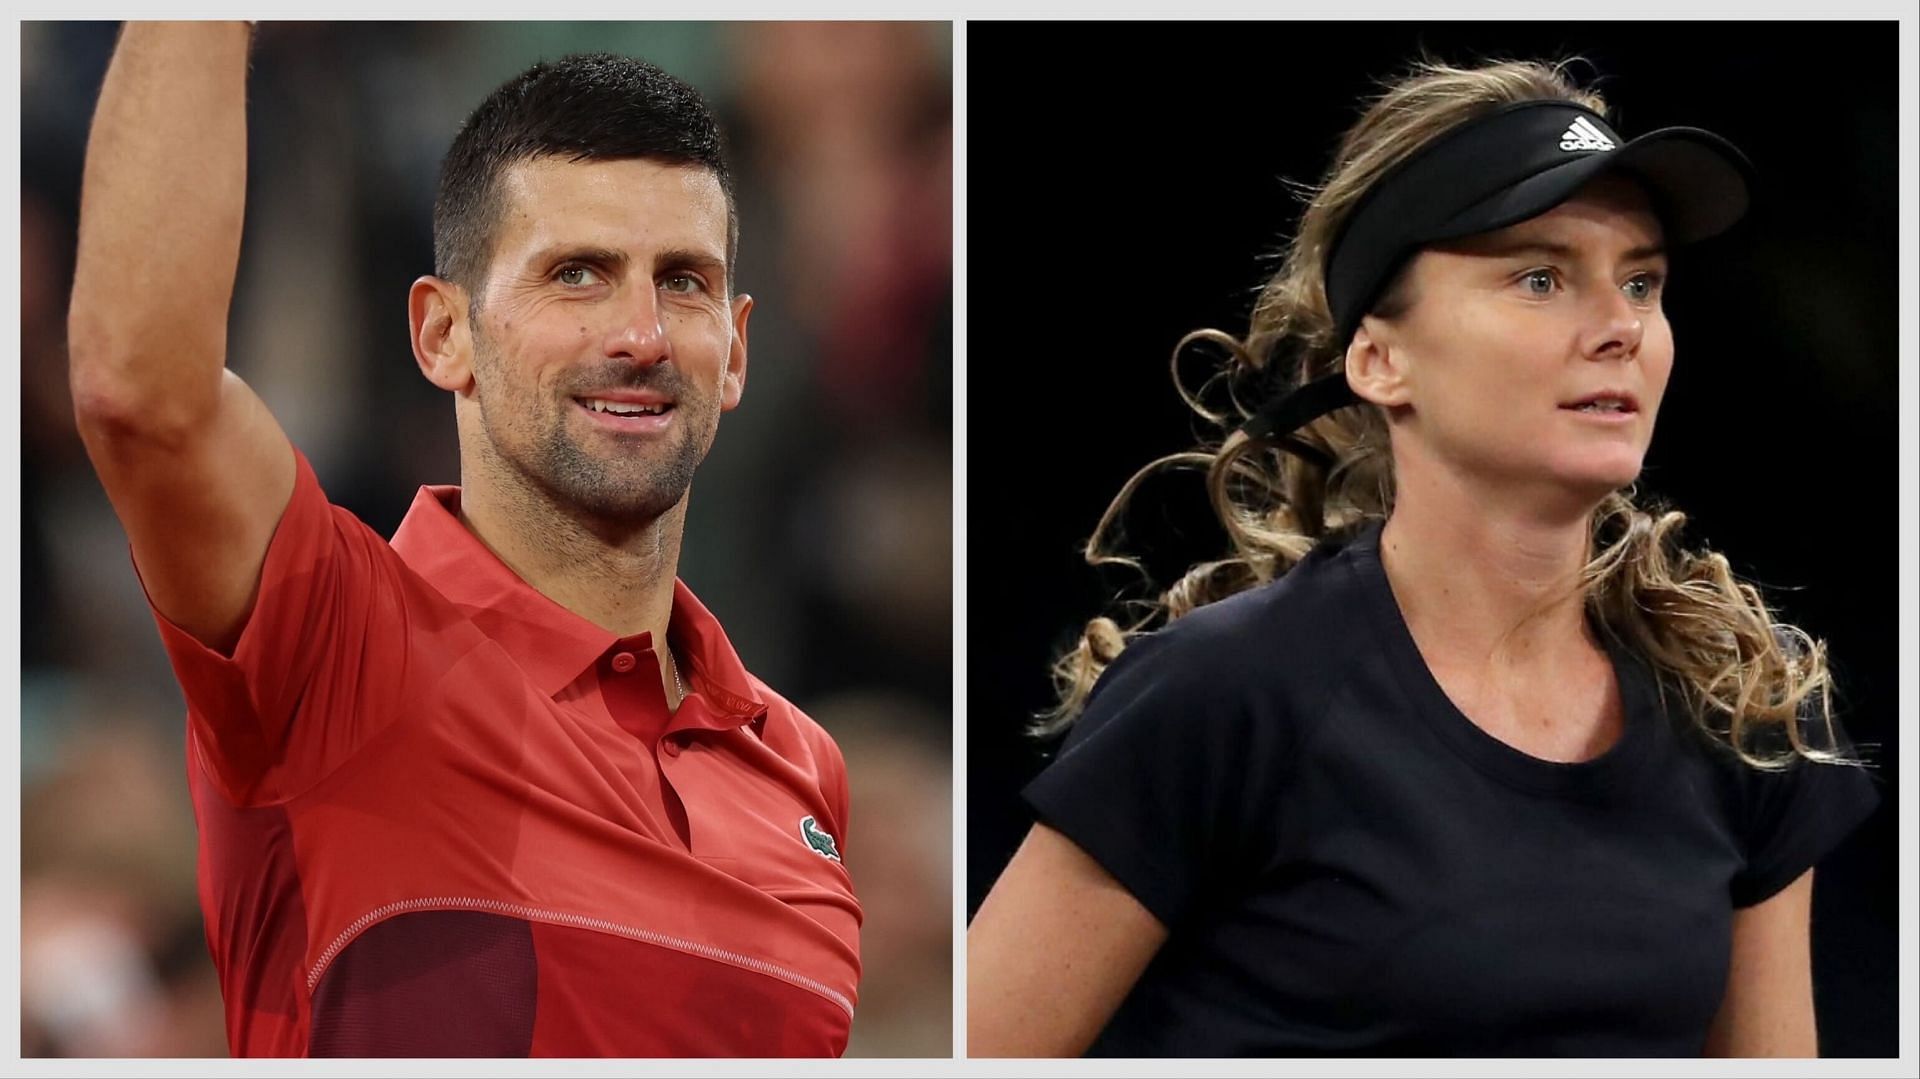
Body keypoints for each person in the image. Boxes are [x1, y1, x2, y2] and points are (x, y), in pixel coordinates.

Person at [967, 58, 1878, 1058]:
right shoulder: (1223, 695)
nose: (1620, 327)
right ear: (1379, 358)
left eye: (1642, 281)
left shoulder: (1739, 708)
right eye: (1540, 277)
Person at [67, 22, 859, 1057]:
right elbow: (141, 393)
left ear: (737, 349)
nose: (642, 335)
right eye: (577, 273)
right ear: (444, 332)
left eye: (684, 280)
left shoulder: (803, 768)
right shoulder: (334, 645)